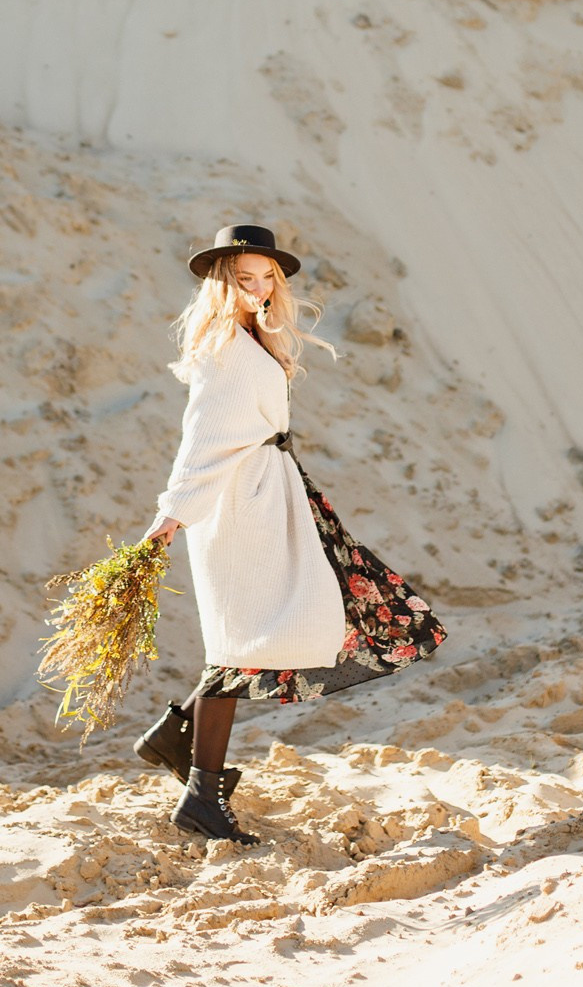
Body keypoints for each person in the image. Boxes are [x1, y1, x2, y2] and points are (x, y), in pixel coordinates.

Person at [134, 223, 448, 844]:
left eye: (265, 278)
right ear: (223, 283)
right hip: (235, 507)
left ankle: (176, 740)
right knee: (238, 648)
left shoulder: (256, 337)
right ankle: (200, 792)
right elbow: (202, 441)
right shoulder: (225, 345)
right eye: (244, 279)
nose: (256, 289)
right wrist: (170, 518)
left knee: (264, 634)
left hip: (270, 495)